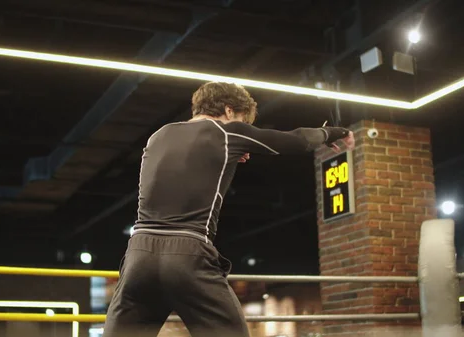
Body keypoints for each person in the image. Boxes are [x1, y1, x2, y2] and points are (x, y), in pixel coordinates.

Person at [102, 82, 355, 337]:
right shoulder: (226, 132)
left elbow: (184, 167)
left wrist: (229, 154)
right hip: (186, 255)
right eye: (242, 119)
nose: (241, 125)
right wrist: (333, 132)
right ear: (229, 110)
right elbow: (295, 139)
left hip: (138, 256)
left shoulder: (159, 134)